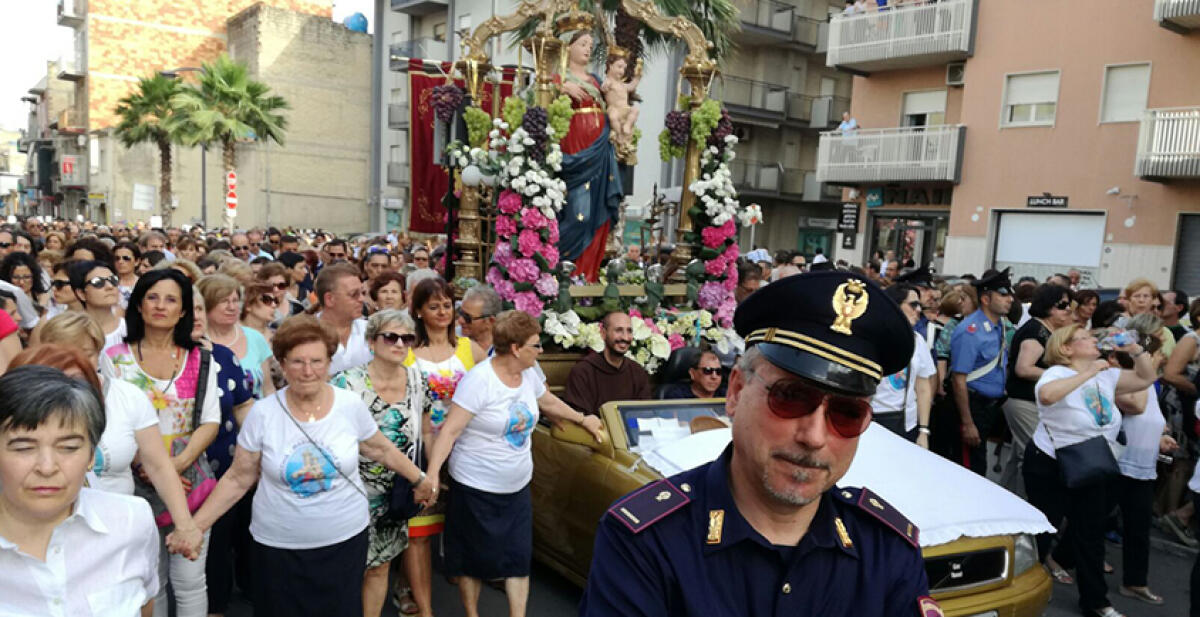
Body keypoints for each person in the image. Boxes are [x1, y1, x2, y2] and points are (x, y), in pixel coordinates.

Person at [580, 271, 934, 616]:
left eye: (846, 413)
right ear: (735, 391)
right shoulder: (648, 542)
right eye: (791, 397)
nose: (814, 437)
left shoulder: (888, 551)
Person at [188, 315, 436, 617]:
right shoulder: (263, 414)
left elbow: (379, 447)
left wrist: (419, 479)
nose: (308, 371)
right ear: (281, 362)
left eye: (317, 361)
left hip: (343, 541)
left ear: (330, 362)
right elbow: (239, 478)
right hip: (278, 547)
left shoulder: (349, 405)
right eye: (297, 362)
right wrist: (195, 527)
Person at [426, 311, 604, 617]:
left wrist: (581, 418)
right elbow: (451, 430)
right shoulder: (479, 381)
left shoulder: (529, 372)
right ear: (515, 348)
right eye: (536, 345)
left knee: (518, 559)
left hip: (517, 487)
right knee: (473, 559)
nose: (541, 351)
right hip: (476, 486)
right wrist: (430, 475)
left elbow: (547, 402)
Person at [102, 269, 220, 617]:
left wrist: (173, 467)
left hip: (191, 481)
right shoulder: (114, 358)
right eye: (152, 297)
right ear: (138, 304)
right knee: (152, 580)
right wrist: (149, 468)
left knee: (190, 578)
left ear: (184, 310)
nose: (160, 306)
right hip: (134, 484)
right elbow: (109, 418)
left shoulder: (199, 358)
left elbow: (210, 420)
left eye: (171, 299)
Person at [0, 366, 160, 616]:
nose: (47, 467)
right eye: (23, 448)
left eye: (68, 447)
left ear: (90, 455)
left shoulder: (131, 521)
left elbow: (143, 604)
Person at [1022, 323, 1155, 617]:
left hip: (1091, 464)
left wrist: (1135, 349)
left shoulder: (1107, 375)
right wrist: (1089, 372)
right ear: (1067, 348)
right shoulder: (1058, 372)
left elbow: (1147, 377)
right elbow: (1047, 396)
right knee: (1044, 529)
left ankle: (1096, 602)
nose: (1094, 341)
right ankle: (1022, 589)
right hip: (1050, 464)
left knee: (1090, 534)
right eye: (1085, 338)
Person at [330, 310, 429, 617]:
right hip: (352, 491)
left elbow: (425, 426)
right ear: (372, 341)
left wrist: (427, 474)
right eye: (391, 337)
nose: (399, 344)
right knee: (349, 569)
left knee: (381, 566)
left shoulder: (416, 378)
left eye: (407, 338)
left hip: (396, 490)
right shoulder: (345, 383)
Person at [401, 276, 485, 615]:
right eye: (433, 306)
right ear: (419, 311)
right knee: (419, 530)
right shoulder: (407, 351)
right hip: (421, 449)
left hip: (465, 449)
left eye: (447, 306)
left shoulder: (470, 349)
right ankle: (423, 606)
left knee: (460, 525)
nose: (442, 312)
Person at [1110, 314, 1175, 606]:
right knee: (1097, 517)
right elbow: (1135, 406)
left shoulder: (1146, 368)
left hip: (1144, 459)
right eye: (1160, 344)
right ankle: (1058, 559)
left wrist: (1160, 434)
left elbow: (1150, 411)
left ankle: (1135, 582)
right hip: (1122, 457)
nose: (1164, 354)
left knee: (1138, 526)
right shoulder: (1129, 363)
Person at [555, 30, 623, 282]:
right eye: (582, 43)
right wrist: (560, 86)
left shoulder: (596, 80)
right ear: (568, 46)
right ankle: (561, 272)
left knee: (598, 218)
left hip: (600, 152)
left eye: (590, 45)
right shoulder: (557, 77)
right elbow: (533, 98)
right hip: (574, 154)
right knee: (578, 215)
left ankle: (588, 277)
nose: (587, 49)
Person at [999, 284, 1074, 495]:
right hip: (1023, 401)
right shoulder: (1036, 330)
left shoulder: (1047, 331)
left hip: (1030, 401)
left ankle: (1004, 499)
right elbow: (1023, 368)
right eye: (1063, 305)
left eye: (1070, 304)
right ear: (1048, 307)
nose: (1069, 309)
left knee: (1018, 456)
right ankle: (1029, 506)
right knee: (1032, 456)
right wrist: (1059, 376)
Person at [950, 269, 1014, 476]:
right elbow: (959, 380)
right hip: (972, 405)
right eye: (1003, 294)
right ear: (986, 299)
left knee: (979, 467)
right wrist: (968, 423)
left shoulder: (999, 326)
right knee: (970, 471)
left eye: (1010, 294)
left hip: (989, 407)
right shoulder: (971, 331)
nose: (1010, 299)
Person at [872, 283, 936, 445]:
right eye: (913, 305)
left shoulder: (918, 341)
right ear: (895, 306)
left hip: (906, 422)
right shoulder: (874, 337)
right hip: (873, 418)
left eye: (920, 305)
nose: (919, 310)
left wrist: (923, 430)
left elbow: (923, 388)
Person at [198, 274, 275, 400]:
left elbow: (268, 388)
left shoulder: (255, 337)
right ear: (206, 305)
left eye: (235, 301)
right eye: (224, 301)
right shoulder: (198, 342)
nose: (232, 307)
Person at [564, 311, 651, 416]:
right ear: (603, 334)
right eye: (618, 331)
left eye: (629, 331)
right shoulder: (583, 372)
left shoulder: (637, 371)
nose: (625, 337)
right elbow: (579, 419)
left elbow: (645, 414)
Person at [315, 263, 372, 374]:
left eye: (362, 293)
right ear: (329, 299)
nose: (362, 299)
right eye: (354, 294)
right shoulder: (304, 334)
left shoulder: (371, 330)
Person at [70, 259, 126, 352]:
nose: (110, 287)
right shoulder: (70, 332)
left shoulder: (131, 328)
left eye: (113, 280)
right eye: (98, 282)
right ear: (81, 294)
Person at [661, 349, 727, 399]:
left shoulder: (726, 395)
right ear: (692, 373)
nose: (714, 376)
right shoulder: (677, 396)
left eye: (719, 371)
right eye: (707, 370)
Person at [459, 285, 502, 354]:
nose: (460, 320)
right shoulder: (452, 339)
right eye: (461, 313)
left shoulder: (505, 350)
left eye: (468, 318)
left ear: (490, 321)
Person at [277, 251, 311, 315]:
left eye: (305, 267)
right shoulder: (275, 291)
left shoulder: (305, 293)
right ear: (289, 269)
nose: (306, 271)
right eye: (301, 268)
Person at [114, 241, 141, 309]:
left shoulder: (142, 283)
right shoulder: (107, 283)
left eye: (126, 258)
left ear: (137, 261)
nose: (120, 261)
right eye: (117, 258)